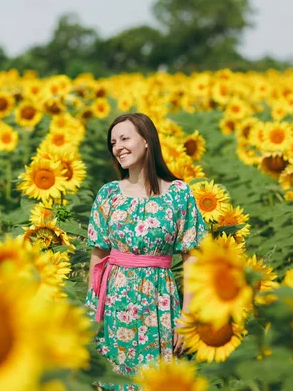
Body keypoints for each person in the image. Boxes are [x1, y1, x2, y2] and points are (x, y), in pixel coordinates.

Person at [85, 113, 206, 391]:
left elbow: (193, 259)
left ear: (147, 141)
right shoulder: (108, 194)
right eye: (113, 142)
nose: (118, 147)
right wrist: (91, 314)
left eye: (125, 138)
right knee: (114, 381)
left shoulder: (178, 193)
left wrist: (188, 317)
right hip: (114, 305)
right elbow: (98, 257)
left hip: (159, 303)